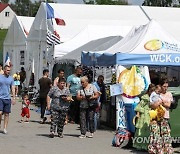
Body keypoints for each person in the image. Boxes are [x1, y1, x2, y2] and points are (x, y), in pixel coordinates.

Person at [148, 78, 174, 154]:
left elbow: (168, 105)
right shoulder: (156, 94)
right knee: (155, 135)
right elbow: (151, 105)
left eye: (167, 86)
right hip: (155, 117)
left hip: (164, 117)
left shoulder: (169, 94)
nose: (165, 88)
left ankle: (167, 150)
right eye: (164, 86)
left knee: (165, 135)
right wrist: (156, 103)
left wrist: (161, 102)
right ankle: (156, 150)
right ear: (160, 86)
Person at [133, 84, 154, 151]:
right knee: (141, 130)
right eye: (151, 91)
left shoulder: (153, 98)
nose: (152, 93)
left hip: (150, 116)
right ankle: (140, 145)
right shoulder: (145, 98)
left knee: (147, 131)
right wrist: (144, 111)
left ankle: (146, 146)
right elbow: (137, 107)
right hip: (144, 116)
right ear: (149, 91)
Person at [0, 65, 16, 134]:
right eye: (7, 70)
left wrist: (14, 97)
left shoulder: (11, 78)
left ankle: (5, 128)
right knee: (0, 113)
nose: (8, 72)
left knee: (6, 114)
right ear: (4, 70)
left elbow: (13, 87)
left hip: (7, 98)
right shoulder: (0, 77)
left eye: (9, 70)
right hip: (0, 97)